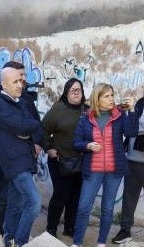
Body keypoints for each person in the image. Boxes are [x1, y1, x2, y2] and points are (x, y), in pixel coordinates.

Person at [72, 83, 138, 247]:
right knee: (84, 207)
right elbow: (76, 143)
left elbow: (132, 132)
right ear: (97, 99)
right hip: (92, 170)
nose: (111, 99)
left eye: (112, 95)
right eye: (107, 96)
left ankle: (101, 242)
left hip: (114, 170)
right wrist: (87, 145)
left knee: (107, 208)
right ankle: (77, 243)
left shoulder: (120, 116)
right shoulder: (85, 119)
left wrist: (132, 111)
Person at [0, 61, 42, 247]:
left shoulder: (18, 101)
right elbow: (25, 125)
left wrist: (25, 129)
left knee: (16, 204)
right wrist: (24, 129)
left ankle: (10, 240)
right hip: (14, 163)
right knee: (34, 202)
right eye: (15, 82)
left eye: (21, 80)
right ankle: (20, 243)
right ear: (4, 84)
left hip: (23, 160)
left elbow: (33, 123)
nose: (20, 85)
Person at [112, 73, 144, 244]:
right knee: (129, 198)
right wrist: (139, 122)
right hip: (132, 159)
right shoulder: (139, 104)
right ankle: (125, 230)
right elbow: (131, 129)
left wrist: (136, 118)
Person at [42, 78, 88, 238]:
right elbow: (43, 130)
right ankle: (51, 228)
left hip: (81, 161)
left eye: (79, 90)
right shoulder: (58, 110)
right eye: (73, 90)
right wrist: (49, 148)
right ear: (66, 92)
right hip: (60, 161)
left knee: (75, 197)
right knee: (61, 195)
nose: (76, 93)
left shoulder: (87, 111)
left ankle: (70, 227)